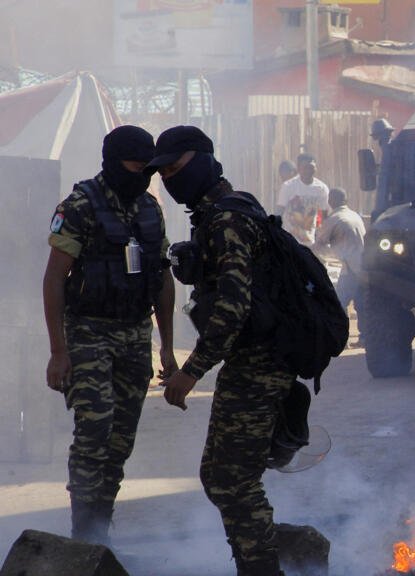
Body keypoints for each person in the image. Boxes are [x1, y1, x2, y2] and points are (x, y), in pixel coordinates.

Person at [150, 126, 296, 576]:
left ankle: (264, 567)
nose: (172, 180)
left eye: (177, 168)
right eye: (166, 172)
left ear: (203, 160)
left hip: (260, 362)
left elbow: (233, 307)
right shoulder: (222, 210)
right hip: (253, 359)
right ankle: (267, 558)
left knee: (231, 480)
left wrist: (190, 371)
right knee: (221, 476)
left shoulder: (226, 219)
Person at [43, 125, 177, 545]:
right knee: (94, 432)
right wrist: (58, 351)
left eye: (148, 169)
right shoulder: (80, 205)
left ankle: (101, 525)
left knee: (120, 439)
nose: (144, 176)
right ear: (114, 161)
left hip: (135, 335)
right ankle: (83, 537)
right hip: (88, 333)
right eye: (136, 167)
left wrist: (168, 346)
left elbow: (162, 279)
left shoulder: (150, 209)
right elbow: (53, 279)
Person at [314, 188, 366, 321]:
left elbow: (319, 244)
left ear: (330, 201)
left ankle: (341, 334)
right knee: (361, 304)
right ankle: (364, 336)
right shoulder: (355, 215)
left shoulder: (334, 219)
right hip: (362, 266)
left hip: (349, 269)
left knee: (338, 303)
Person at [276, 152, 329, 246]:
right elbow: (279, 212)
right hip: (290, 240)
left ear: (315, 168)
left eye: (311, 167)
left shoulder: (321, 188)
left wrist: (319, 233)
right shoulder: (288, 186)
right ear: (299, 168)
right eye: (305, 167)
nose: (308, 171)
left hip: (310, 241)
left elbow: (322, 215)